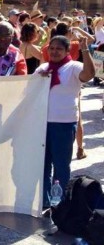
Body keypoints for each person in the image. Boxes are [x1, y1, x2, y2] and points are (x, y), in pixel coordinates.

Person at [34, 35, 95, 210]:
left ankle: (60, 202)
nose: (54, 52)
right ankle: (45, 200)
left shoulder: (73, 67)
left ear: (67, 51)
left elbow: (89, 74)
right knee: (43, 165)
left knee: (61, 166)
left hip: (63, 124)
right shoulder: (43, 68)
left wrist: (85, 50)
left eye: (59, 49)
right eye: (51, 48)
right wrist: (39, 80)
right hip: (42, 123)